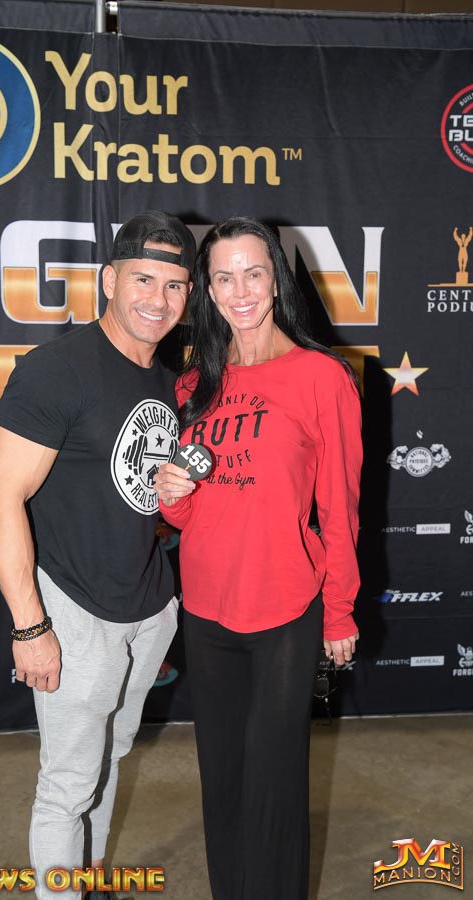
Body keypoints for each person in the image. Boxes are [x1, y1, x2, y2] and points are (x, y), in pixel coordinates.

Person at [0, 210, 195, 900]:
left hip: (146, 608)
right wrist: (30, 627)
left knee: (110, 762)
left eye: (174, 285)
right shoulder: (56, 370)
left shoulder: (165, 380)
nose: (157, 299)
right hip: (75, 612)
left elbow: (134, 492)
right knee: (68, 786)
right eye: (142, 280)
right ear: (109, 280)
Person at [154, 216, 362, 900]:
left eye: (253, 273)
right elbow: (185, 515)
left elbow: (339, 508)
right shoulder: (193, 387)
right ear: (208, 291)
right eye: (224, 277)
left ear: (277, 280)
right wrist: (171, 495)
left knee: (274, 789)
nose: (240, 290)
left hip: (285, 613)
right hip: (207, 610)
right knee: (222, 784)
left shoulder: (320, 377)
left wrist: (339, 611)